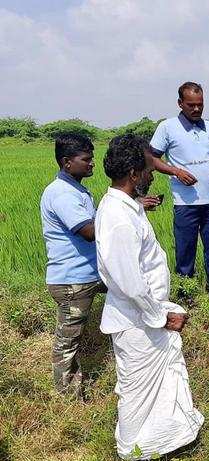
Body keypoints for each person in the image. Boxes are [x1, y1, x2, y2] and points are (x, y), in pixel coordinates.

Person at [96, 134, 204, 461]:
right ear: (132, 172)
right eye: (147, 168)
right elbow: (130, 282)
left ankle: (158, 445)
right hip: (137, 321)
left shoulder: (125, 206)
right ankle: (135, 454)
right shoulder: (117, 217)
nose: (152, 174)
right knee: (138, 396)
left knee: (154, 389)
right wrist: (161, 317)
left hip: (143, 316)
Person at [150, 82, 209, 295]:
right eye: (191, 105)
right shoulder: (167, 127)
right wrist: (176, 172)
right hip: (185, 204)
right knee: (185, 252)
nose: (196, 109)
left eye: (200, 104)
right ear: (180, 103)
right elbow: (151, 158)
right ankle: (185, 294)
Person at [39, 133, 106, 397]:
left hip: (89, 274)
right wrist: (121, 217)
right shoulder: (61, 193)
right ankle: (67, 398)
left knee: (130, 297)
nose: (92, 163)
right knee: (68, 342)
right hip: (72, 281)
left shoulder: (77, 188)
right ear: (67, 162)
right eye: (86, 159)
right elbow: (89, 231)